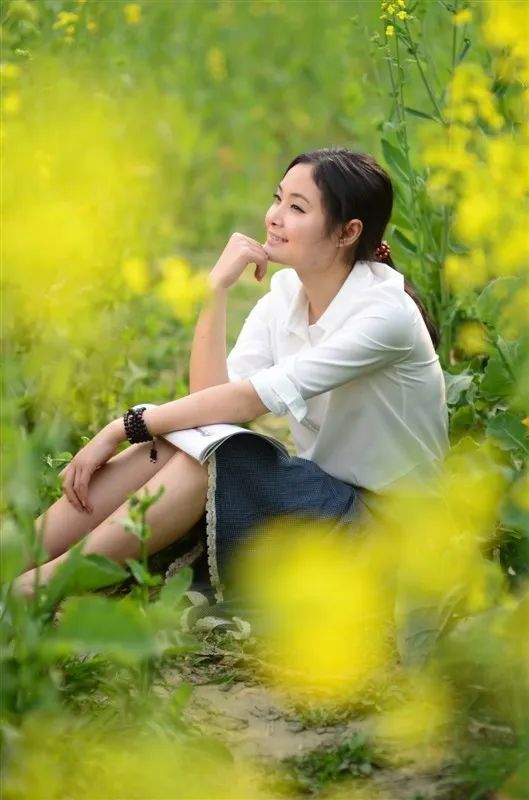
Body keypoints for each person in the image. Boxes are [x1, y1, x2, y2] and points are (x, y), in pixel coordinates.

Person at [15, 148, 449, 600]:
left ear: (347, 232)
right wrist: (215, 289)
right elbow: (207, 409)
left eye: (296, 208)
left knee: (217, 453)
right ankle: (17, 558)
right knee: (183, 441)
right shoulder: (286, 295)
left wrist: (121, 427)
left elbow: (244, 402)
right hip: (326, 502)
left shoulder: (384, 314)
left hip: (392, 534)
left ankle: (35, 591)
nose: (274, 217)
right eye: (277, 199)